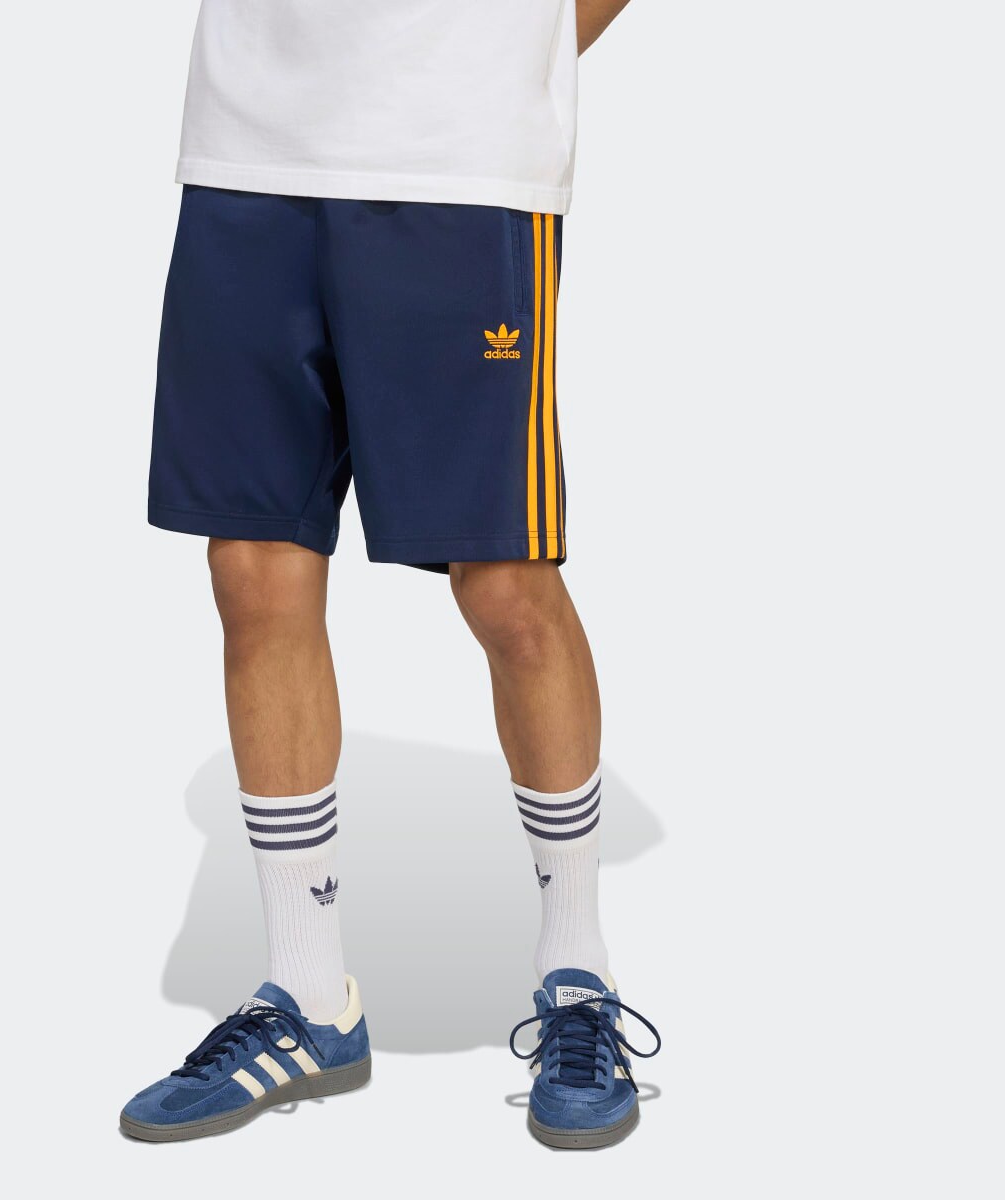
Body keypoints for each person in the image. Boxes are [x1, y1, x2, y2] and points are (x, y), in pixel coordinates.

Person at [120, 0, 660, 1150]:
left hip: (457, 162)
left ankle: (577, 974)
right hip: (248, 147)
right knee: (255, 564)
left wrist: (507, 52)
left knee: (504, 577)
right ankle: (309, 997)